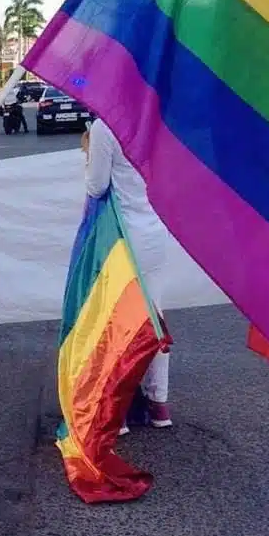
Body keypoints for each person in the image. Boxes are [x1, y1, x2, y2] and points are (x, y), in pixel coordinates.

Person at [82, 119, 172, 430]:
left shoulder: (104, 126)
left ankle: (116, 410)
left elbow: (96, 186)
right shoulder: (154, 119)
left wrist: (88, 154)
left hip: (122, 237)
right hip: (155, 233)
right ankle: (159, 402)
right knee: (154, 317)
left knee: (116, 321)